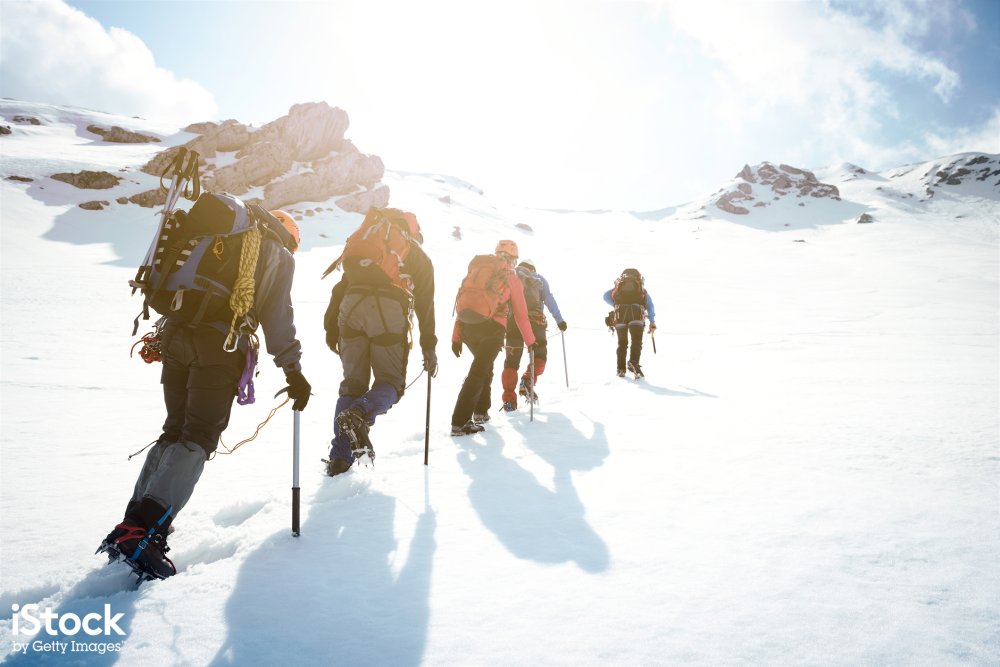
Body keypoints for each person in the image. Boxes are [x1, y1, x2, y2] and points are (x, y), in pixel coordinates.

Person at [98, 209, 311, 580]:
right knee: (197, 437)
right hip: (219, 346)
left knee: (174, 431)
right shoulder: (276, 252)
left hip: (177, 336)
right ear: (290, 237)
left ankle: (133, 525)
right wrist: (293, 371)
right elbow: (277, 315)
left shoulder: (224, 239)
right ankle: (143, 529)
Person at [323, 209, 437, 476]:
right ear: (411, 232)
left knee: (352, 384)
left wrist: (332, 327)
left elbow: (340, 288)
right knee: (391, 384)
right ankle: (361, 412)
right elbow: (425, 305)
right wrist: (428, 345)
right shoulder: (417, 256)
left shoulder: (367, 248)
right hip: (388, 313)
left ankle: (340, 458)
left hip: (350, 310)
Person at [450, 240, 536, 435]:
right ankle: (460, 422)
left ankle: (481, 412)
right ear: (513, 259)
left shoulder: (478, 270)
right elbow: (521, 315)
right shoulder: (511, 276)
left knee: (484, 368)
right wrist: (531, 342)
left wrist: (456, 337)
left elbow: (465, 303)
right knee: (479, 372)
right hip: (492, 329)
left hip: (467, 327)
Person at [500, 259, 566, 411]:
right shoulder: (538, 278)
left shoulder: (510, 276)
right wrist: (560, 320)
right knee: (539, 354)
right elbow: (549, 299)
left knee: (511, 362)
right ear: (532, 268)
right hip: (535, 322)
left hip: (513, 322)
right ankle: (528, 380)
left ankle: (509, 400)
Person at [603, 268, 656, 378]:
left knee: (622, 343)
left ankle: (620, 369)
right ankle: (633, 362)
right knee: (636, 341)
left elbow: (605, 296)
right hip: (636, 314)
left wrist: (615, 304)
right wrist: (652, 321)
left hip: (620, 315)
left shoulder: (618, 288)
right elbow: (650, 305)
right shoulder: (641, 289)